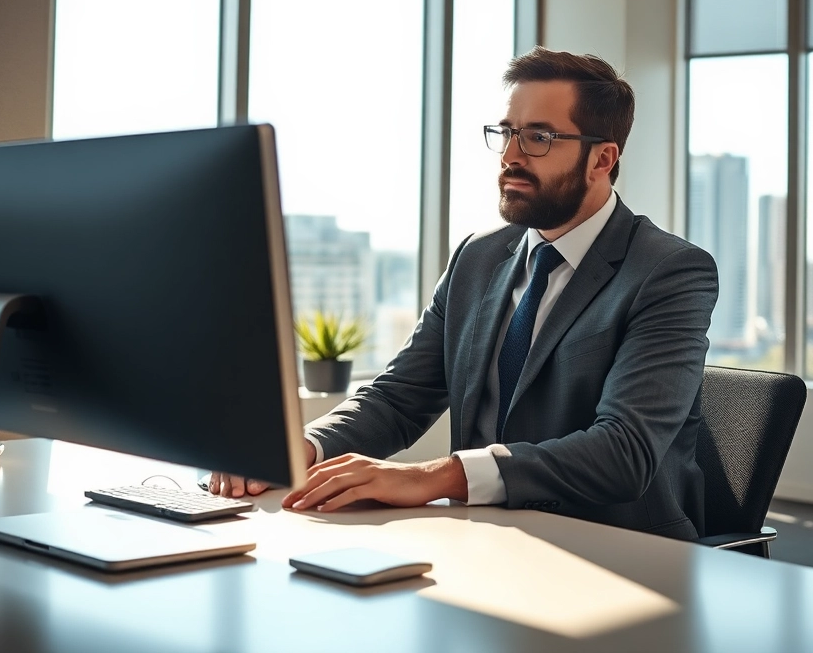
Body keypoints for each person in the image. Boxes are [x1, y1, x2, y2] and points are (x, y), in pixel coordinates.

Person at [212, 47, 718, 540]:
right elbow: (398, 397)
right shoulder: (478, 257)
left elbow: (624, 453)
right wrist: (305, 446)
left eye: (539, 137)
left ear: (602, 159)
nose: (511, 157)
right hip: (485, 538)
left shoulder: (668, 271)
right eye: (506, 133)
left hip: (618, 551)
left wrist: (434, 476)